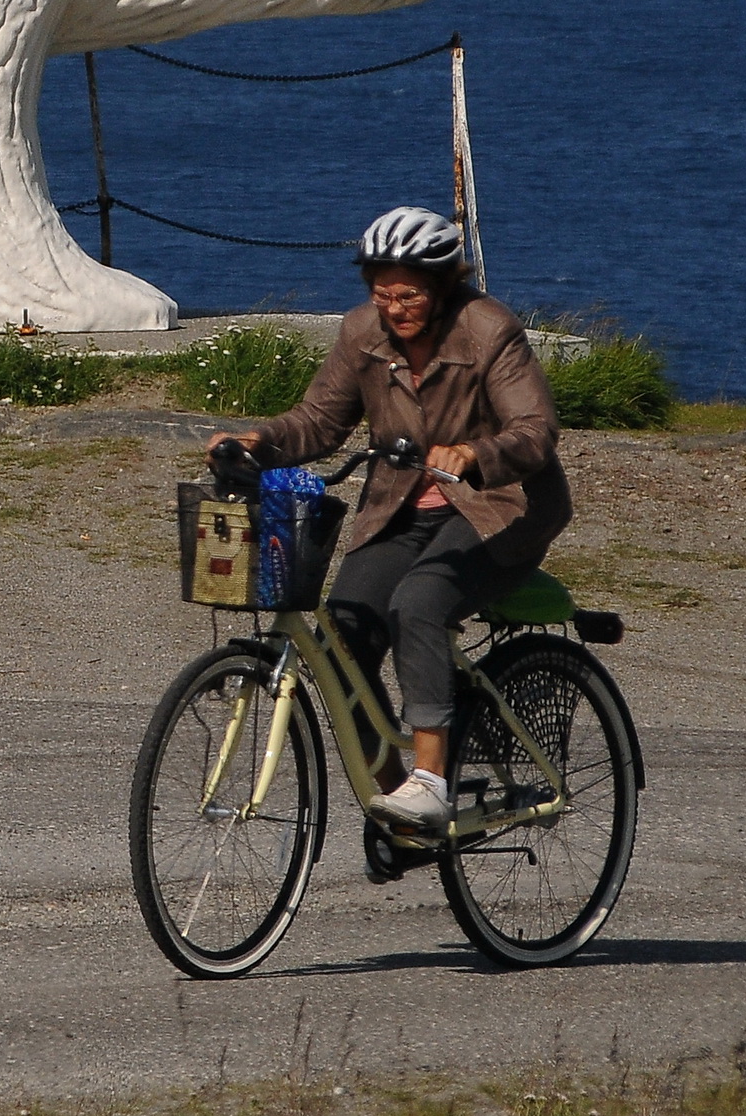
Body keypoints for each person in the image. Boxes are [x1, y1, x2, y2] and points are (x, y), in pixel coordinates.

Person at [213, 205, 567, 834]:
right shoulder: (360, 335)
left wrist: (475, 454)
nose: (395, 307)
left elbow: (536, 431)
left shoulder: (488, 330)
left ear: (443, 285)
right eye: (382, 293)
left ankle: (430, 780)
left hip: (496, 507)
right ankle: (400, 807)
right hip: (400, 508)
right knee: (343, 639)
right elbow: (319, 422)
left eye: (410, 294)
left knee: (420, 602)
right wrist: (259, 439)